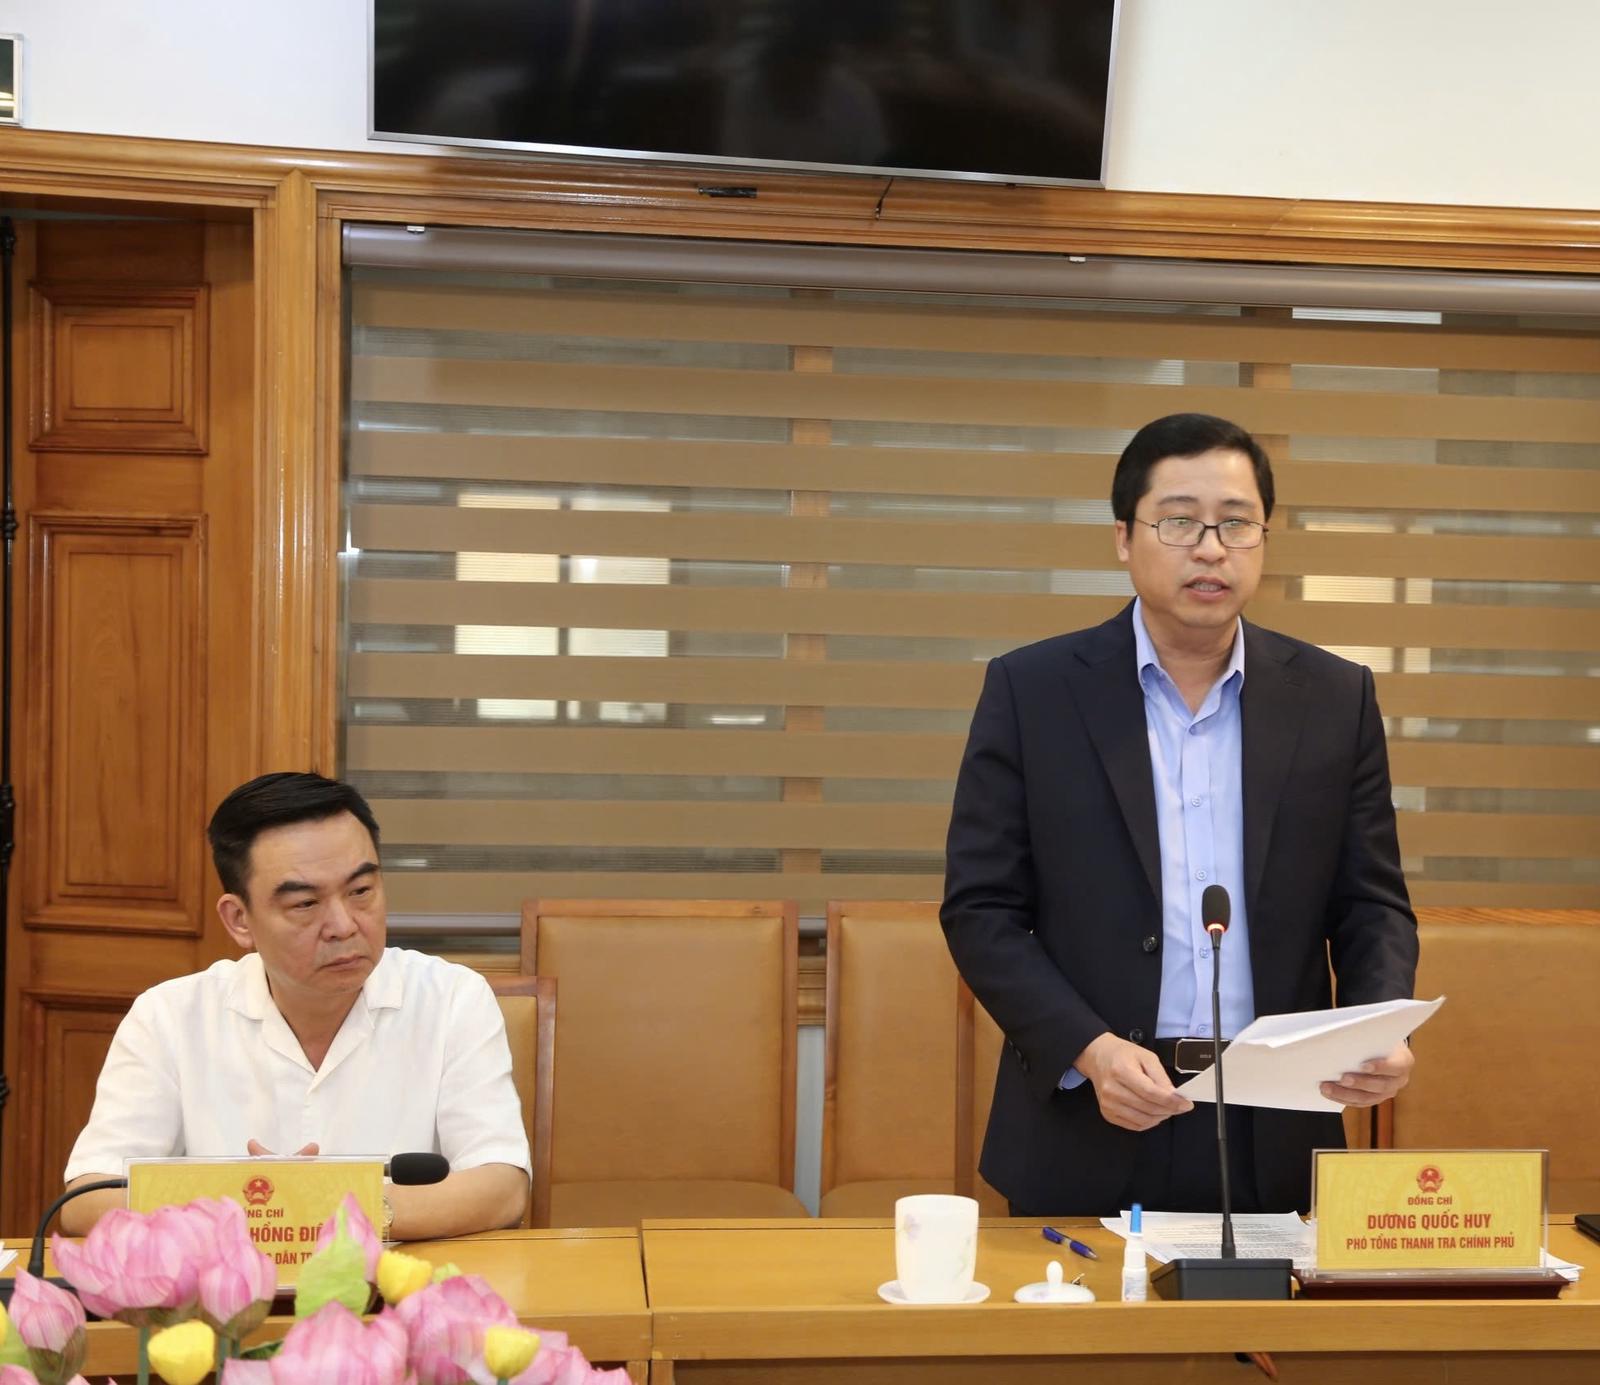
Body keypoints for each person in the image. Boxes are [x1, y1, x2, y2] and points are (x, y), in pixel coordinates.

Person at [942, 412, 1418, 1217]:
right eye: (1179, 521)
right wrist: (1088, 1049)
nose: (1211, 548)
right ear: (1124, 538)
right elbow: (981, 909)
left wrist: (1376, 1026)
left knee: (1272, 1308)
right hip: (1094, 1109)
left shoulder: (1335, 698)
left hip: (1276, 1117)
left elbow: (1371, 903)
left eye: (1236, 523)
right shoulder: (1034, 690)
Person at [61, 773, 530, 1237]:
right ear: (239, 919)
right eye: (305, 904)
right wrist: (258, 1215)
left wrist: (321, 1210)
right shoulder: (169, 1017)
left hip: (401, 1281)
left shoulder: (452, 1000)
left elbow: (502, 1187)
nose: (344, 925)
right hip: (224, 1285)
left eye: (361, 892)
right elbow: (87, 1199)